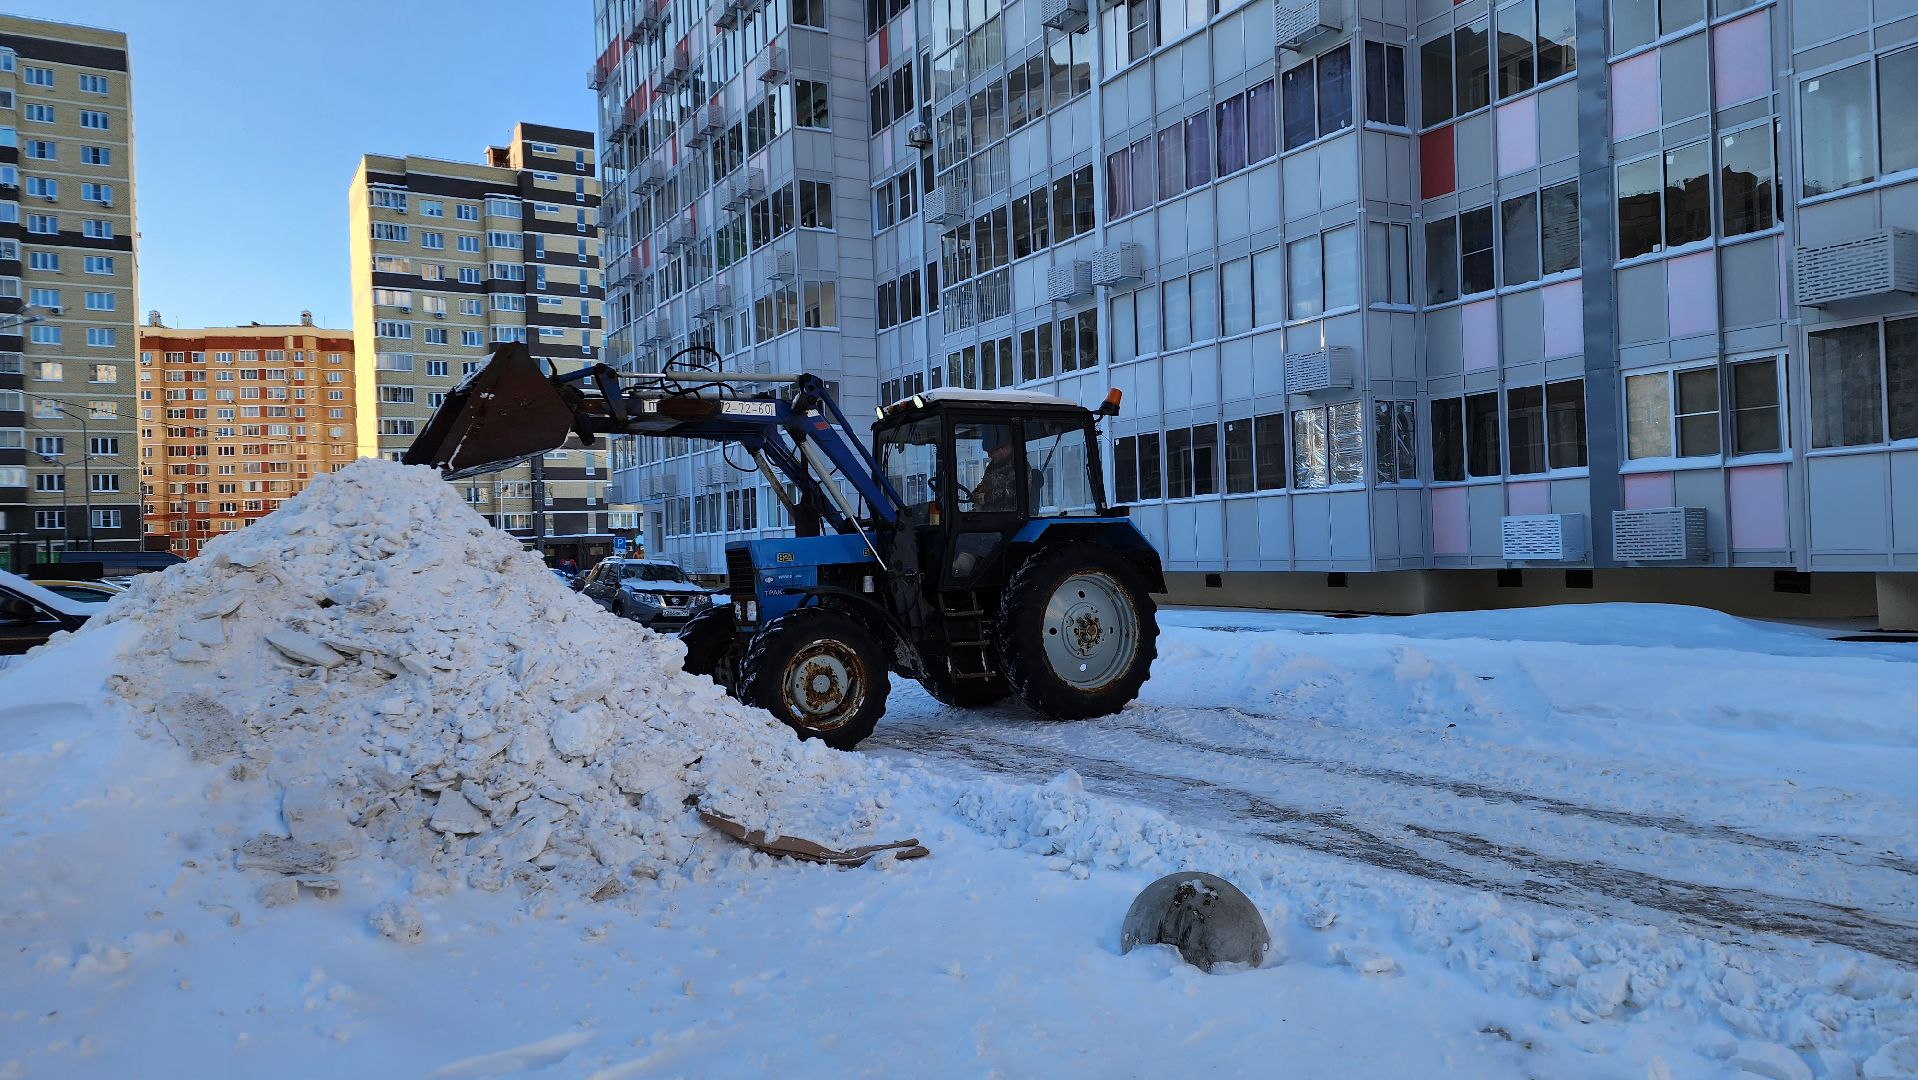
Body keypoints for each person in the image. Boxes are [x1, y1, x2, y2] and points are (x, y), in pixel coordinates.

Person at [968, 427, 1019, 512]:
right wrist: (976, 492)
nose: (989, 455)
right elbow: (985, 483)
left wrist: (984, 497)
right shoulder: (993, 466)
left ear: (1002, 448)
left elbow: (1010, 495)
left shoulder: (1019, 469)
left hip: (1004, 516)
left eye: (991, 452)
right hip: (987, 514)